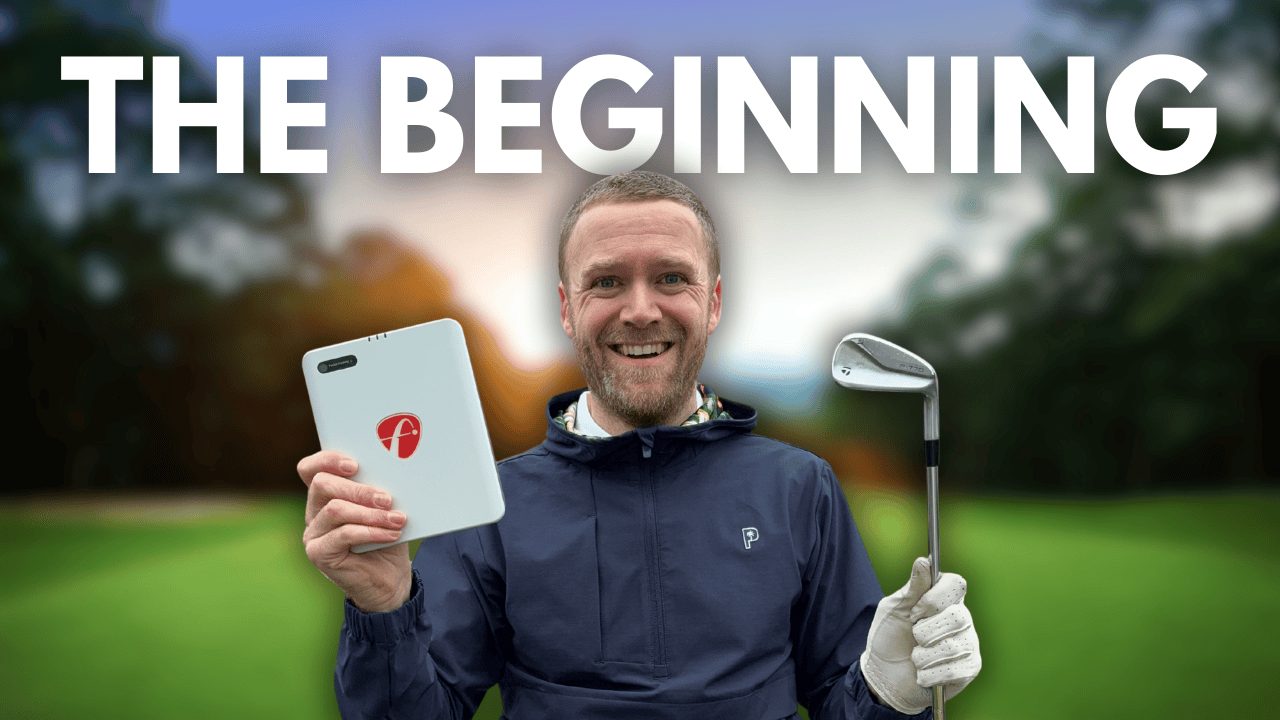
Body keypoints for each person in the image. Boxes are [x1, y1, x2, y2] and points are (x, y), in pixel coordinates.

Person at [297, 171, 981, 719]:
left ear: (714, 302)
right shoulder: (488, 506)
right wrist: (385, 608)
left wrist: (888, 691)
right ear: (567, 309)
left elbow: (844, 703)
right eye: (607, 281)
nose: (641, 310)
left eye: (672, 278)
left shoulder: (800, 488)